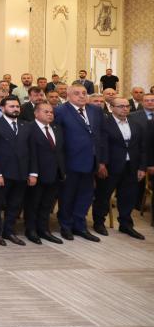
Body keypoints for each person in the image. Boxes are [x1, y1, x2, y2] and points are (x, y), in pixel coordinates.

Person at [53, 84, 104, 241]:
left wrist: (101, 160)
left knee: (85, 196)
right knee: (67, 196)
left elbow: (100, 135)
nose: (82, 96)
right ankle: (66, 226)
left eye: (84, 93)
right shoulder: (60, 111)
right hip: (70, 162)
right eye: (77, 93)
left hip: (91, 160)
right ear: (68, 95)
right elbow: (57, 139)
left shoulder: (95, 110)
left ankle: (80, 226)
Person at [94, 98, 146, 239]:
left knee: (128, 196)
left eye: (127, 106)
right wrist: (101, 164)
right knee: (103, 196)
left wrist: (142, 167)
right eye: (121, 106)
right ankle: (99, 222)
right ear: (111, 108)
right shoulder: (105, 124)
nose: (125, 109)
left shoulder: (135, 124)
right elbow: (101, 146)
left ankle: (126, 224)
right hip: (110, 166)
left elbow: (142, 147)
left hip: (131, 166)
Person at [21, 103, 65, 244]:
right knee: (33, 203)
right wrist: (31, 173)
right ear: (36, 113)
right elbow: (27, 153)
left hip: (54, 173)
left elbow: (60, 151)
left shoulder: (56, 128)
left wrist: (62, 170)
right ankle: (31, 230)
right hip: (36, 174)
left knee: (47, 204)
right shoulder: (28, 128)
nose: (50, 114)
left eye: (51, 112)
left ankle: (44, 230)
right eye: (46, 112)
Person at [0, 96, 28, 246]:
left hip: (21, 173)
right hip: (2, 174)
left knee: (15, 205)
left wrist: (31, 172)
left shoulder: (25, 125)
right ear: (3, 108)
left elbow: (30, 151)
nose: (15, 109)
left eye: (17, 106)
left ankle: (9, 231)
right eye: (11, 106)